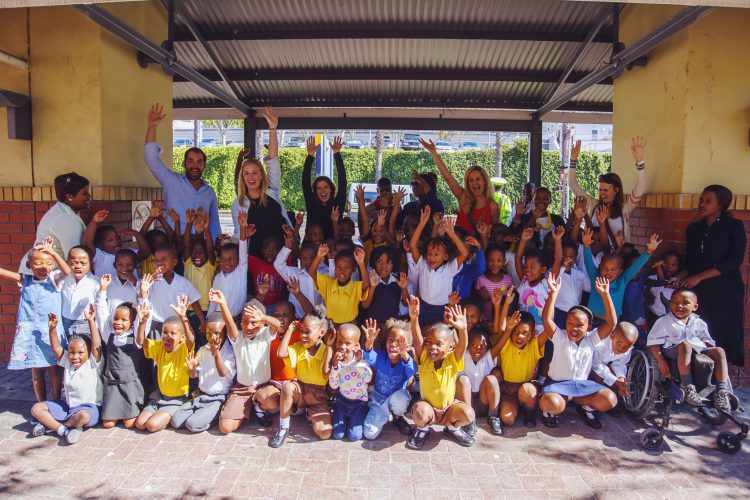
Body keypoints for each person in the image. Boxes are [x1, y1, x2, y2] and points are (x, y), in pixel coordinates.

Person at [538, 276, 618, 429]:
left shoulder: (591, 339)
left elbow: (612, 323)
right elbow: (546, 319)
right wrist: (553, 293)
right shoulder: (560, 337)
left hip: (581, 387)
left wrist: (605, 295)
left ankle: (587, 407)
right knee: (553, 404)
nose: (573, 328)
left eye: (579, 325)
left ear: (588, 327)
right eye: (570, 323)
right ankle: (549, 412)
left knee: (610, 399)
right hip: (558, 386)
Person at [683, 184, 746, 367]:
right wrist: (679, 277)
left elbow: (734, 261)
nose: (702, 204)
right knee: (700, 333)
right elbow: (690, 263)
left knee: (723, 332)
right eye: (701, 200)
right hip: (700, 292)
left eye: (708, 201)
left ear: (721, 204)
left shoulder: (733, 226)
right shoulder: (694, 229)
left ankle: (723, 380)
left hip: (725, 290)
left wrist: (700, 276)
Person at [4, 239, 69, 403]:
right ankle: (40, 404)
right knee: (36, 371)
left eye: (48, 263)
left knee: (54, 369)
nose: (44, 267)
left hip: (50, 332)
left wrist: (53, 252)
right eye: (38, 263)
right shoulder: (24, 280)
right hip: (30, 334)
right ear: (29, 264)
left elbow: (68, 272)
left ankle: (54, 403)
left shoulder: (54, 281)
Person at [647, 288, 732, 412]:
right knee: (685, 345)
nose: (679, 305)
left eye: (685, 303)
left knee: (719, 351)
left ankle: (721, 391)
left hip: (696, 349)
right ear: (670, 303)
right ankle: (688, 387)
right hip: (673, 350)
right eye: (675, 302)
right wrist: (661, 361)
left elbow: (707, 340)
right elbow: (653, 343)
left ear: (695, 307)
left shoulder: (699, 322)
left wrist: (711, 354)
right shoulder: (663, 321)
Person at [144, 103, 221, 238]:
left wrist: (216, 248)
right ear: (184, 164)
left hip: (200, 248)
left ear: (204, 165)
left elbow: (214, 225)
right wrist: (152, 126)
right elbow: (151, 158)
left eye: (199, 162)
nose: (195, 166)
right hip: (174, 244)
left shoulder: (210, 192)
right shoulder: (171, 181)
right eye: (190, 161)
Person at [407, 300, 475, 449]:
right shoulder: (423, 358)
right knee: (419, 411)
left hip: (448, 410)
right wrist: (414, 319)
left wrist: (462, 330)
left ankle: (452, 429)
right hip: (428, 409)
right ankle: (422, 430)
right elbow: (417, 340)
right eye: (429, 342)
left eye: (438, 344)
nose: (432, 347)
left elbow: (462, 347)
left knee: (468, 414)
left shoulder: (452, 360)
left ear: (450, 347)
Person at [30, 306, 102, 444]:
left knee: (83, 416)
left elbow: (96, 345)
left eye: (80, 353)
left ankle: (50, 425)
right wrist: (52, 329)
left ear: (88, 353)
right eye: (71, 352)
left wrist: (91, 321)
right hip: (67, 407)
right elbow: (57, 348)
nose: (75, 356)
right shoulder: (67, 362)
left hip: (88, 408)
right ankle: (63, 429)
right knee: (36, 408)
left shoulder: (93, 363)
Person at [216, 294, 280, 434]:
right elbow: (229, 322)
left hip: (263, 387)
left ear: (262, 323)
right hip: (242, 390)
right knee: (225, 428)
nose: (249, 326)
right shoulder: (237, 338)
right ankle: (247, 408)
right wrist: (222, 303)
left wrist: (262, 317)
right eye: (244, 322)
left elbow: (277, 325)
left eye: (254, 322)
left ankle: (259, 407)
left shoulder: (265, 334)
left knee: (273, 403)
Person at [231, 107, 291, 256]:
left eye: (255, 173)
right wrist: (228, 242)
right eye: (246, 173)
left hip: (281, 257)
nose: (251, 177)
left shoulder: (272, 190)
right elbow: (239, 235)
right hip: (255, 259)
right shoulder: (237, 205)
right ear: (242, 177)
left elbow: (273, 160)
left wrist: (272, 128)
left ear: (262, 175)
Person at [270, 307, 333, 447]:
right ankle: (284, 428)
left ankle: (309, 412)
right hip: (301, 390)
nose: (303, 336)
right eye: (301, 331)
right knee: (287, 387)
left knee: (324, 433)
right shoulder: (299, 348)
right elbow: (281, 353)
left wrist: (329, 347)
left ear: (321, 333)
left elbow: (325, 373)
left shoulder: (326, 350)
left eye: (308, 332)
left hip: (319, 397)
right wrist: (291, 330)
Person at [569, 137, 647, 246]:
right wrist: (573, 159)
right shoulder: (593, 204)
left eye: (606, 190)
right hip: (593, 257)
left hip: (616, 260)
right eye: (600, 190)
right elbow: (573, 185)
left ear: (616, 190)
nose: (602, 193)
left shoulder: (624, 209)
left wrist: (640, 162)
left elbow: (640, 188)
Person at [134, 296, 195, 433]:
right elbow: (140, 341)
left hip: (176, 399)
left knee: (151, 426)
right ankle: (161, 413)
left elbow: (191, 339)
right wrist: (142, 323)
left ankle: (175, 413)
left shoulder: (183, 349)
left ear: (182, 337)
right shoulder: (159, 346)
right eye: (164, 332)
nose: (167, 336)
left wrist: (183, 317)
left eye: (173, 333)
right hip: (160, 397)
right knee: (139, 424)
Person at [96, 275, 147, 429]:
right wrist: (102, 290)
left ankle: (133, 408)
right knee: (108, 424)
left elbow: (143, 320)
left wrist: (143, 295)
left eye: (124, 320)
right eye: (116, 319)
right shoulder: (108, 335)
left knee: (130, 423)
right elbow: (101, 315)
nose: (118, 323)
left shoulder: (136, 338)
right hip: (112, 386)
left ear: (132, 324)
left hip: (129, 386)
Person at [172, 310, 236, 433]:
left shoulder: (229, 351)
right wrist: (191, 369)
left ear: (225, 332)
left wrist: (216, 353)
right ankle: (203, 412)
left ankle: (215, 413)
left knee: (193, 424)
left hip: (219, 397)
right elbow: (194, 375)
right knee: (176, 421)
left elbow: (223, 373)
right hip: (201, 395)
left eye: (217, 333)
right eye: (209, 333)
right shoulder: (203, 349)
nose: (213, 337)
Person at [420, 138, 499, 235]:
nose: (474, 183)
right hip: (456, 247)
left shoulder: (493, 206)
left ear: (485, 182)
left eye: (478, 179)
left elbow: (496, 235)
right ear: (468, 184)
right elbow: (448, 178)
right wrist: (434, 153)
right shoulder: (463, 196)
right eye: (471, 180)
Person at [582, 228, 661, 325]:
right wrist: (586, 246)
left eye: (613, 269)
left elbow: (636, 267)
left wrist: (648, 251)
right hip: (593, 319)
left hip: (611, 322)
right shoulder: (595, 277)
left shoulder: (622, 280)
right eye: (604, 267)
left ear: (620, 271)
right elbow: (588, 261)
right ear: (599, 267)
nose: (608, 272)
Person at [408, 207, 469, 326]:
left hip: (442, 308)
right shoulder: (423, 265)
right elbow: (413, 245)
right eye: (429, 254)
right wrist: (422, 223)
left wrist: (451, 234)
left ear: (445, 256)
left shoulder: (450, 269)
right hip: (423, 307)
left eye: (436, 254)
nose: (431, 257)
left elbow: (464, 253)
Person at [20, 172, 90, 272]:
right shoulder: (65, 218)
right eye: (84, 193)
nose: (89, 196)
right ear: (69, 197)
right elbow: (75, 257)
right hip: (39, 276)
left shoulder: (67, 211)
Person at [361, 318, 416, 439]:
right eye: (390, 340)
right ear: (385, 342)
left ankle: (397, 417)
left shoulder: (406, 361)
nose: (393, 344)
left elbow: (413, 370)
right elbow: (368, 357)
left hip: (396, 400)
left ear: (407, 346)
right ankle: (381, 414)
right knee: (369, 434)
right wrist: (369, 341)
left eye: (399, 342)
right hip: (378, 400)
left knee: (402, 396)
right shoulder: (381, 356)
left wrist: (404, 354)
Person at [327, 323, 373, 441]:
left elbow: (368, 379)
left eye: (347, 343)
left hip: (359, 403)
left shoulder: (360, 360)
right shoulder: (337, 362)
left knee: (355, 436)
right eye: (339, 342)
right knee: (338, 435)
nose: (342, 346)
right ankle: (342, 417)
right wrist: (335, 367)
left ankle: (358, 417)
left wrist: (359, 364)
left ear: (356, 345)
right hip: (341, 402)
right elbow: (333, 385)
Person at [310, 244, 369, 326]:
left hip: (349, 328)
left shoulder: (355, 286)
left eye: (347, 267)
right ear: (335, 267)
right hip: (330, 326)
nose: (342, 271)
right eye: (339, 267)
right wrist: (318, 257)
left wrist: (361, 264)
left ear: (353, 269)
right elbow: (312, 273)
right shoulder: (328, 283)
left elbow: (366, 285)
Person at [302, 136, 347, 240]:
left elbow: (343, 181)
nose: (323, 190)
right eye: (319, 188)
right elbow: (305, 182)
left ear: (331, 189)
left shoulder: (338, 204)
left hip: (332, 249)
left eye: (326, 187)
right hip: (311, 249)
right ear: (315, 192)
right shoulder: (311, 204)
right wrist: (310, 156)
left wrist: (337, 153)